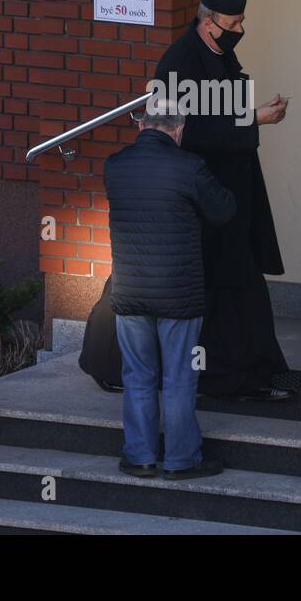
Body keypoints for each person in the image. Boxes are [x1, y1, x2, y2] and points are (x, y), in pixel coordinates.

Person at [154, 0, 293, 401]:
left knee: (242, 284)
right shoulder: (179, 61)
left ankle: (253, 369)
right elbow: (183, 129)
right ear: (209, 20)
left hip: (233, 196)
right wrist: (254, 119)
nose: (240, 31)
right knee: (221, 289)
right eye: (233, 25)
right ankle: (225, 376)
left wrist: (253, 113)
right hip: (203, 203)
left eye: (242, 22)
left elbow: (220, 115)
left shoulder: (218, 54)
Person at [103, 99, 237, 479]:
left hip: (130, 294)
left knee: (137, 377)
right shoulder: (189, 167)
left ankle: (140, 457)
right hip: (180, 296)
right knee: (179, 377)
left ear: (141, 125)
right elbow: (224, 210)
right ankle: (181, 460)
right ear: (178, 130)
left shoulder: (115, 166)